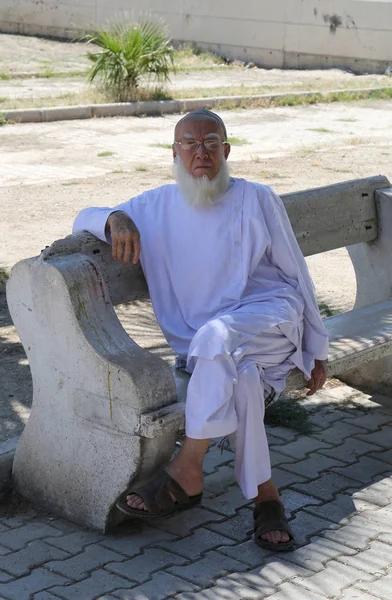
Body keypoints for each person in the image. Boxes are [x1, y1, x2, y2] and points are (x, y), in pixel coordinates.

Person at [73, 109, 328, 551]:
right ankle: (267, 500)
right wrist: (115, 217)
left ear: (226, 151)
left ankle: (188, 467)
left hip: (271, 318)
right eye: (189, 144)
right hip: (220, 350)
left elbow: (296, 272)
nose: (200, 152)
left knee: (216, 337)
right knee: (243, 380)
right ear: (174, 154)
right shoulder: (153, 208)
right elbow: (83, 218)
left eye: (210, 142)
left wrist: (316, 346)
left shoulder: (256, 197)